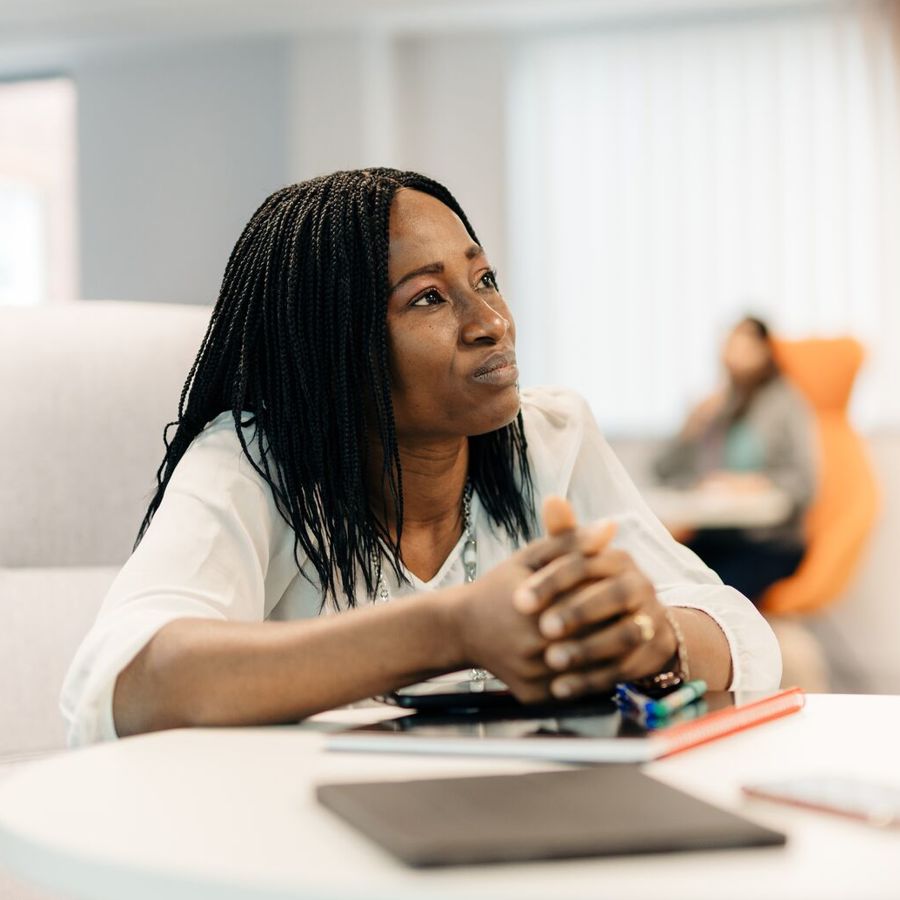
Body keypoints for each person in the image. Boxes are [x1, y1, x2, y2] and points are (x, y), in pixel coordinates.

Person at [61, 170, 780, 745]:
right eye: (431, 298)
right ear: (335, 350)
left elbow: (740, 634)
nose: (492, 323)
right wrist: (452, 629)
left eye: (486, 280)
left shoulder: (550, 437)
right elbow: (122, 686)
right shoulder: (254, 461)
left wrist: (649, 638)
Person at [655, 316, 817, 605]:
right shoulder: (717, 407)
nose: (734, 353)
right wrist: (690, 428)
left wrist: (757, 483)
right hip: (717, 533)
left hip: (769, 543)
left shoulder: (786, 402)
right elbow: (663, 472)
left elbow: (805, 483)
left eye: (745, 345)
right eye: (730, 344)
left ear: (765, 350)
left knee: (713, 597)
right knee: (663, 579)